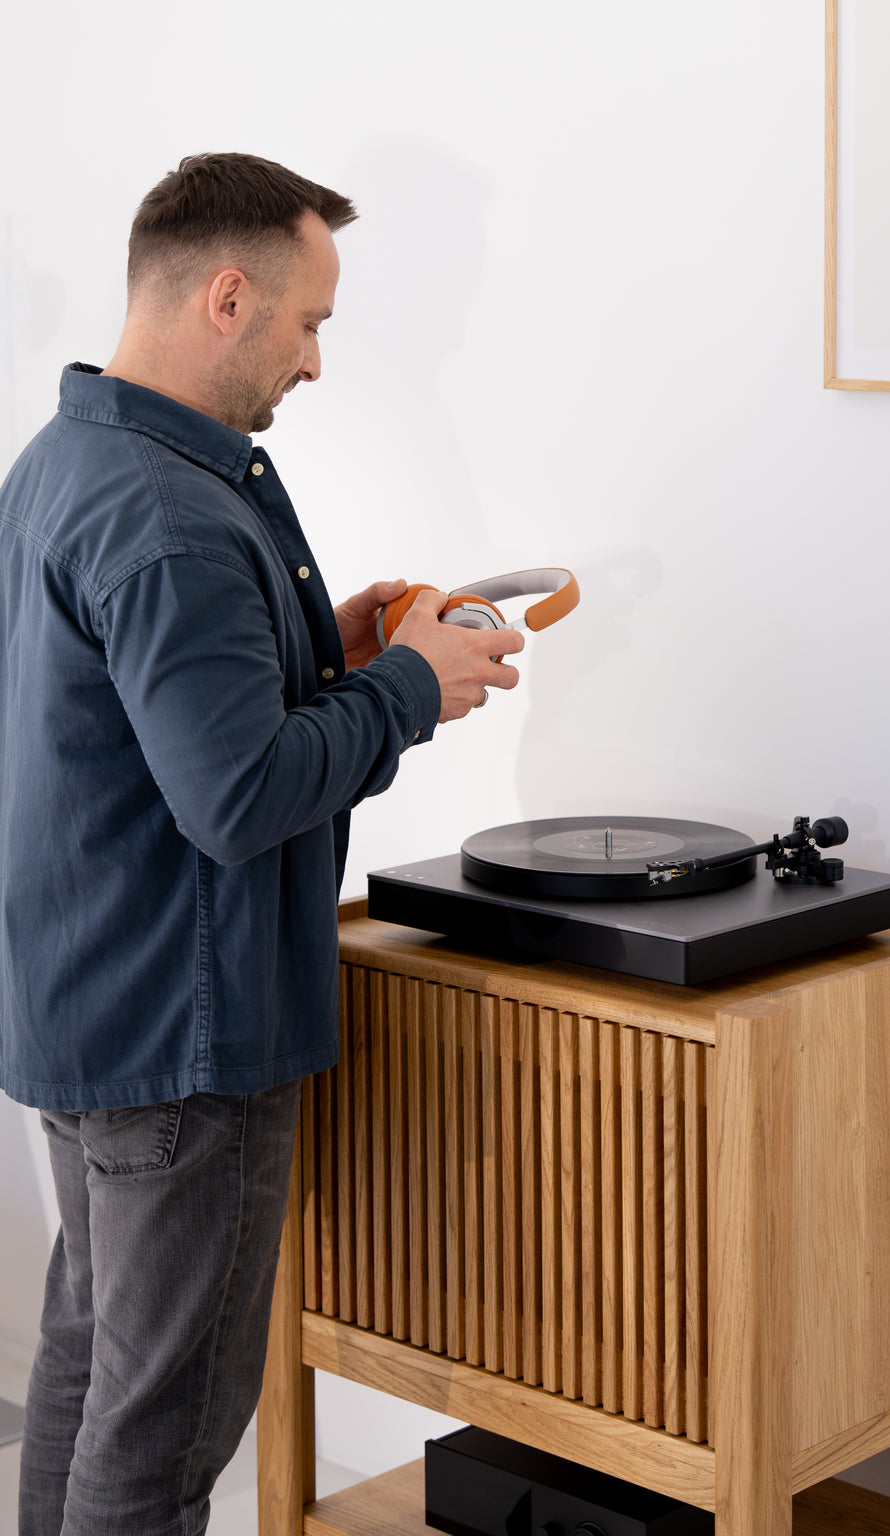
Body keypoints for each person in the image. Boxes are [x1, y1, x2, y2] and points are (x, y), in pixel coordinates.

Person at [0, 152, 524, 1536]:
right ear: (228, 297)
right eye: (309, 323)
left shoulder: (70, 462)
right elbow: (232, 800)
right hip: (184, 1042)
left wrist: (323, 650)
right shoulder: (170, 513)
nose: (315, 362)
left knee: (93, 1359)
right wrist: (412, 687)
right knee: (161, 1435)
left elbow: (144, 716)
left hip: (88, 1007)